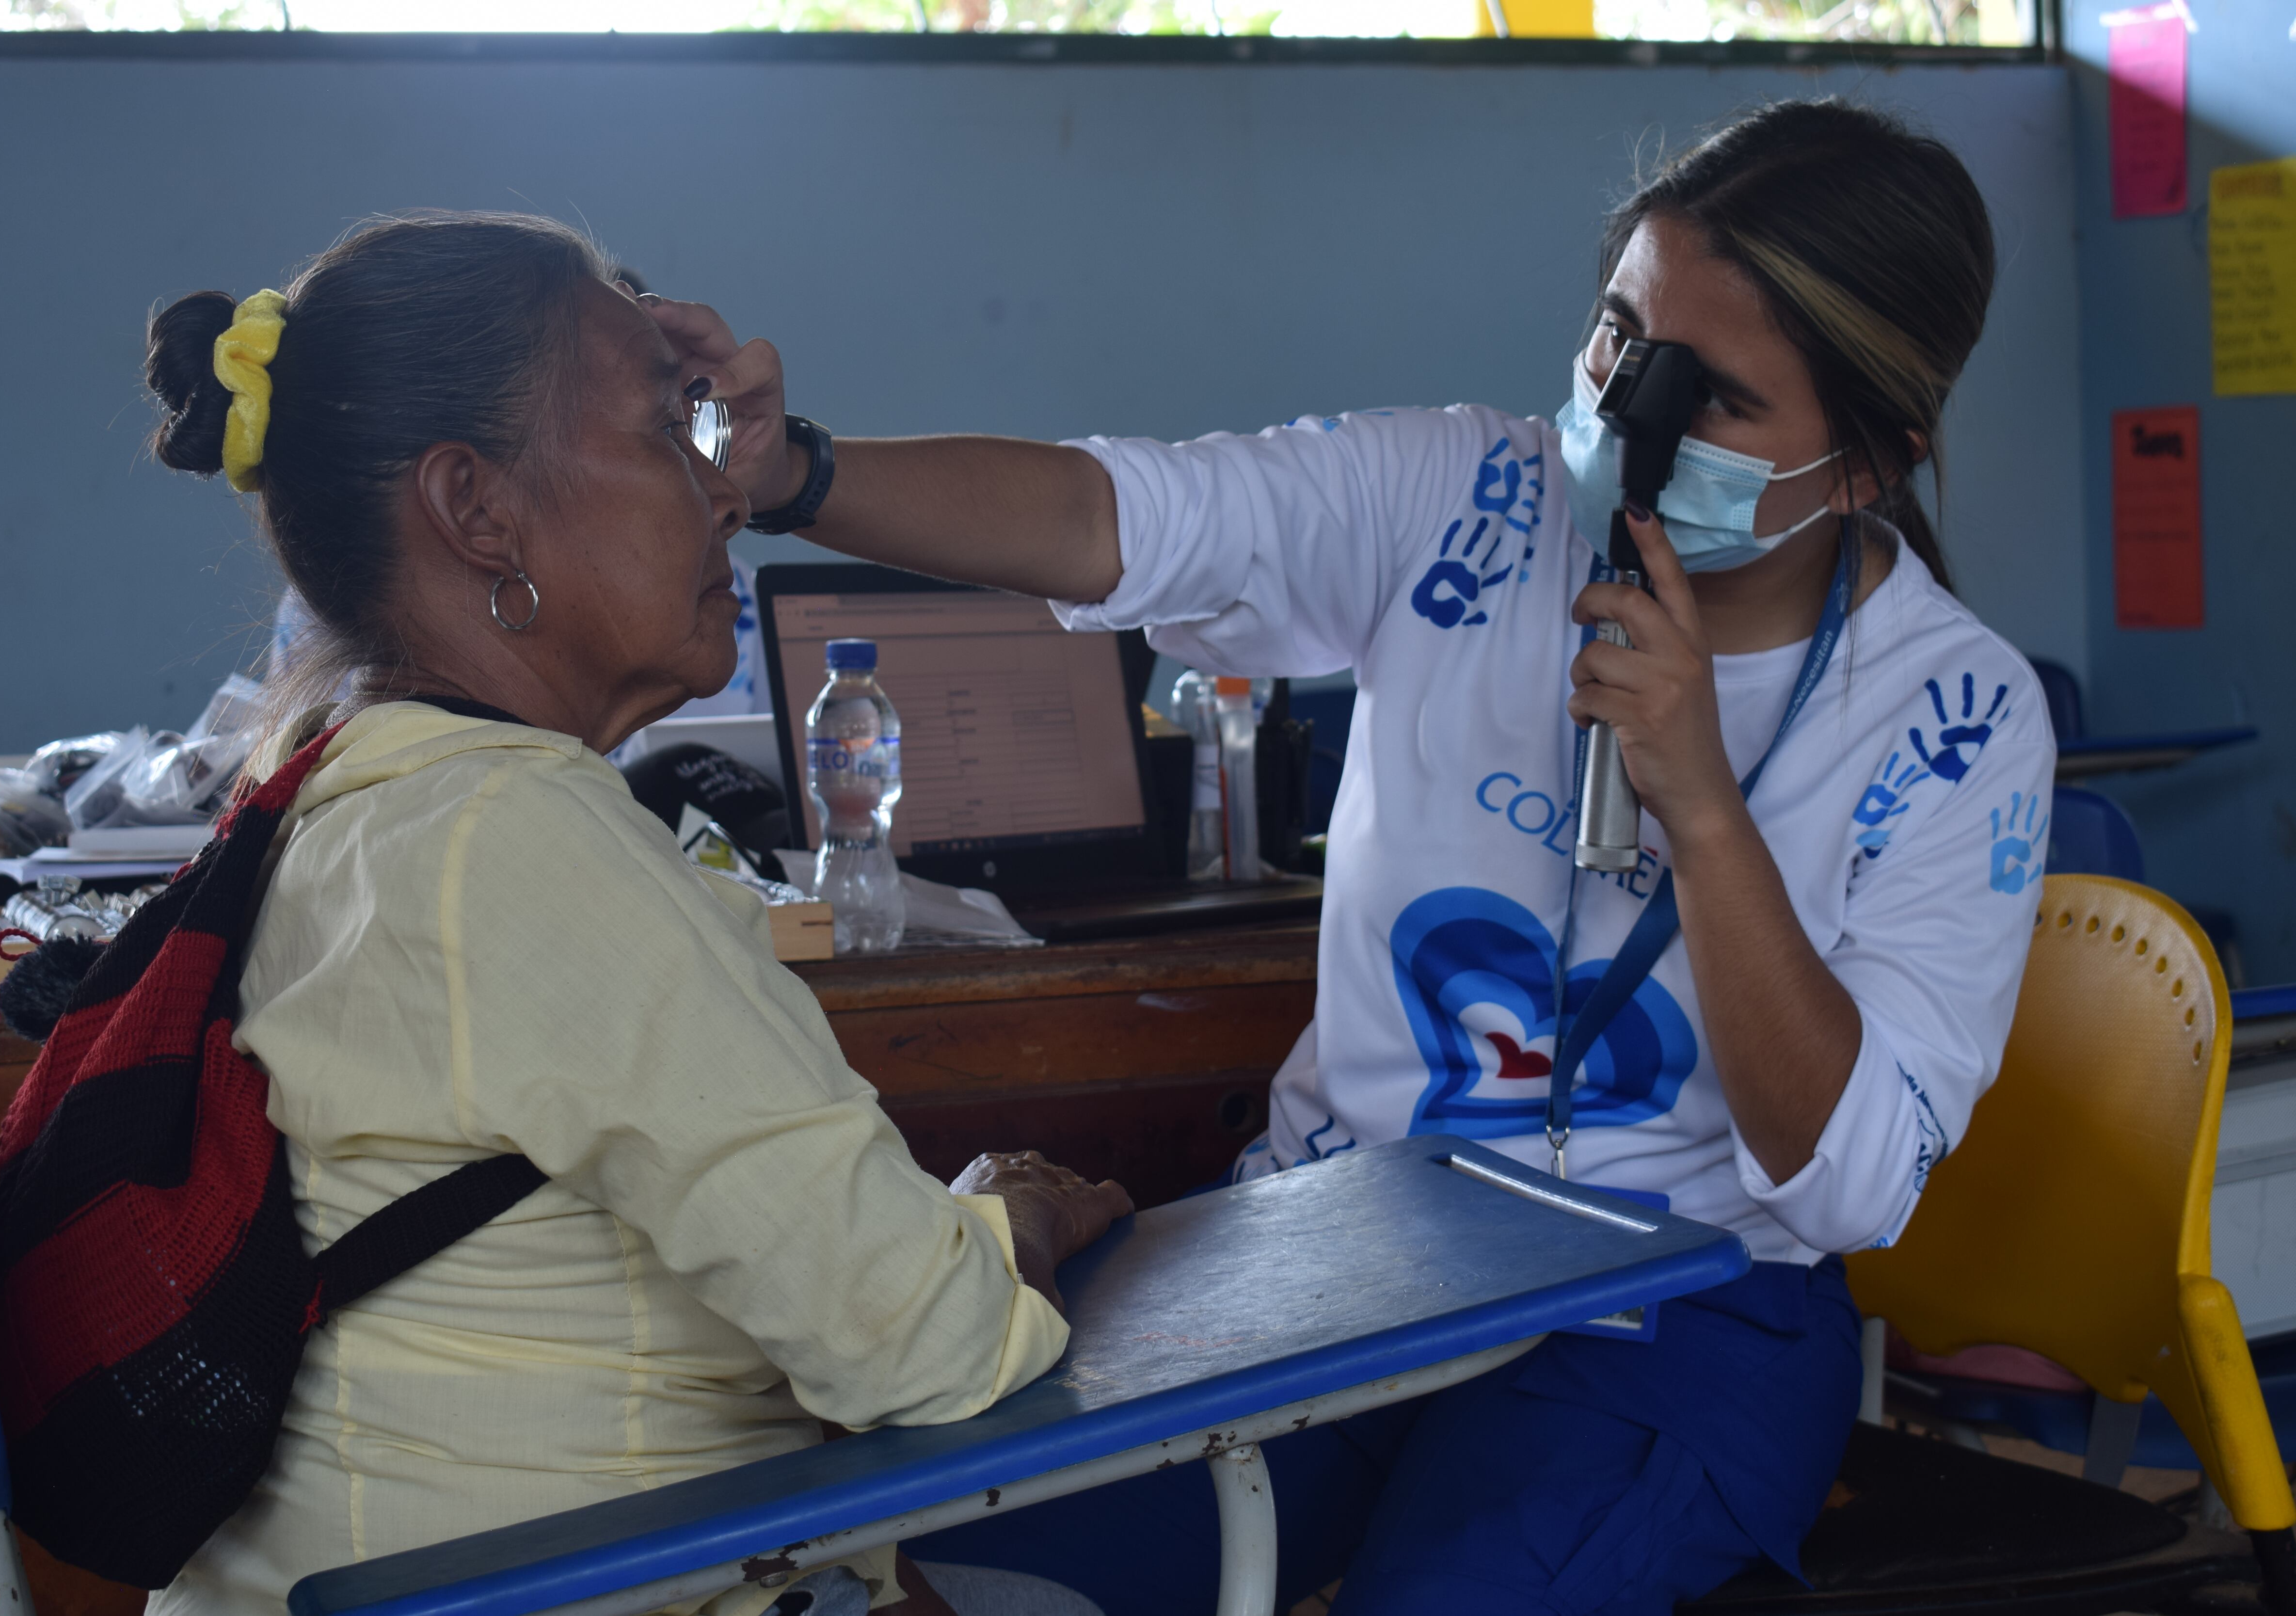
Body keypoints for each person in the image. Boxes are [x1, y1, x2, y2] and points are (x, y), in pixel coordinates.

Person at [647, 99, 2058, 1614]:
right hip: (1345, 1247)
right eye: (1615, 336)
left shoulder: (1955, 717)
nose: (1627, 411)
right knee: (926, 1557)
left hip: (1679, 1313)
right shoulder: (1468, 499)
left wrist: (1703, 807)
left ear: (1865, 466)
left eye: (1710, 400)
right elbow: (1110, 513)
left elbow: (1845, 1185)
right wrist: (798, 476)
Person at [137, 212, 1130, 1616]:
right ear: (477, 510)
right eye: (669, 434)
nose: (725, 495)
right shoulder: (513, 839)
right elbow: (928, 1344)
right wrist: (1019, 1217)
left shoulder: (333, 792)